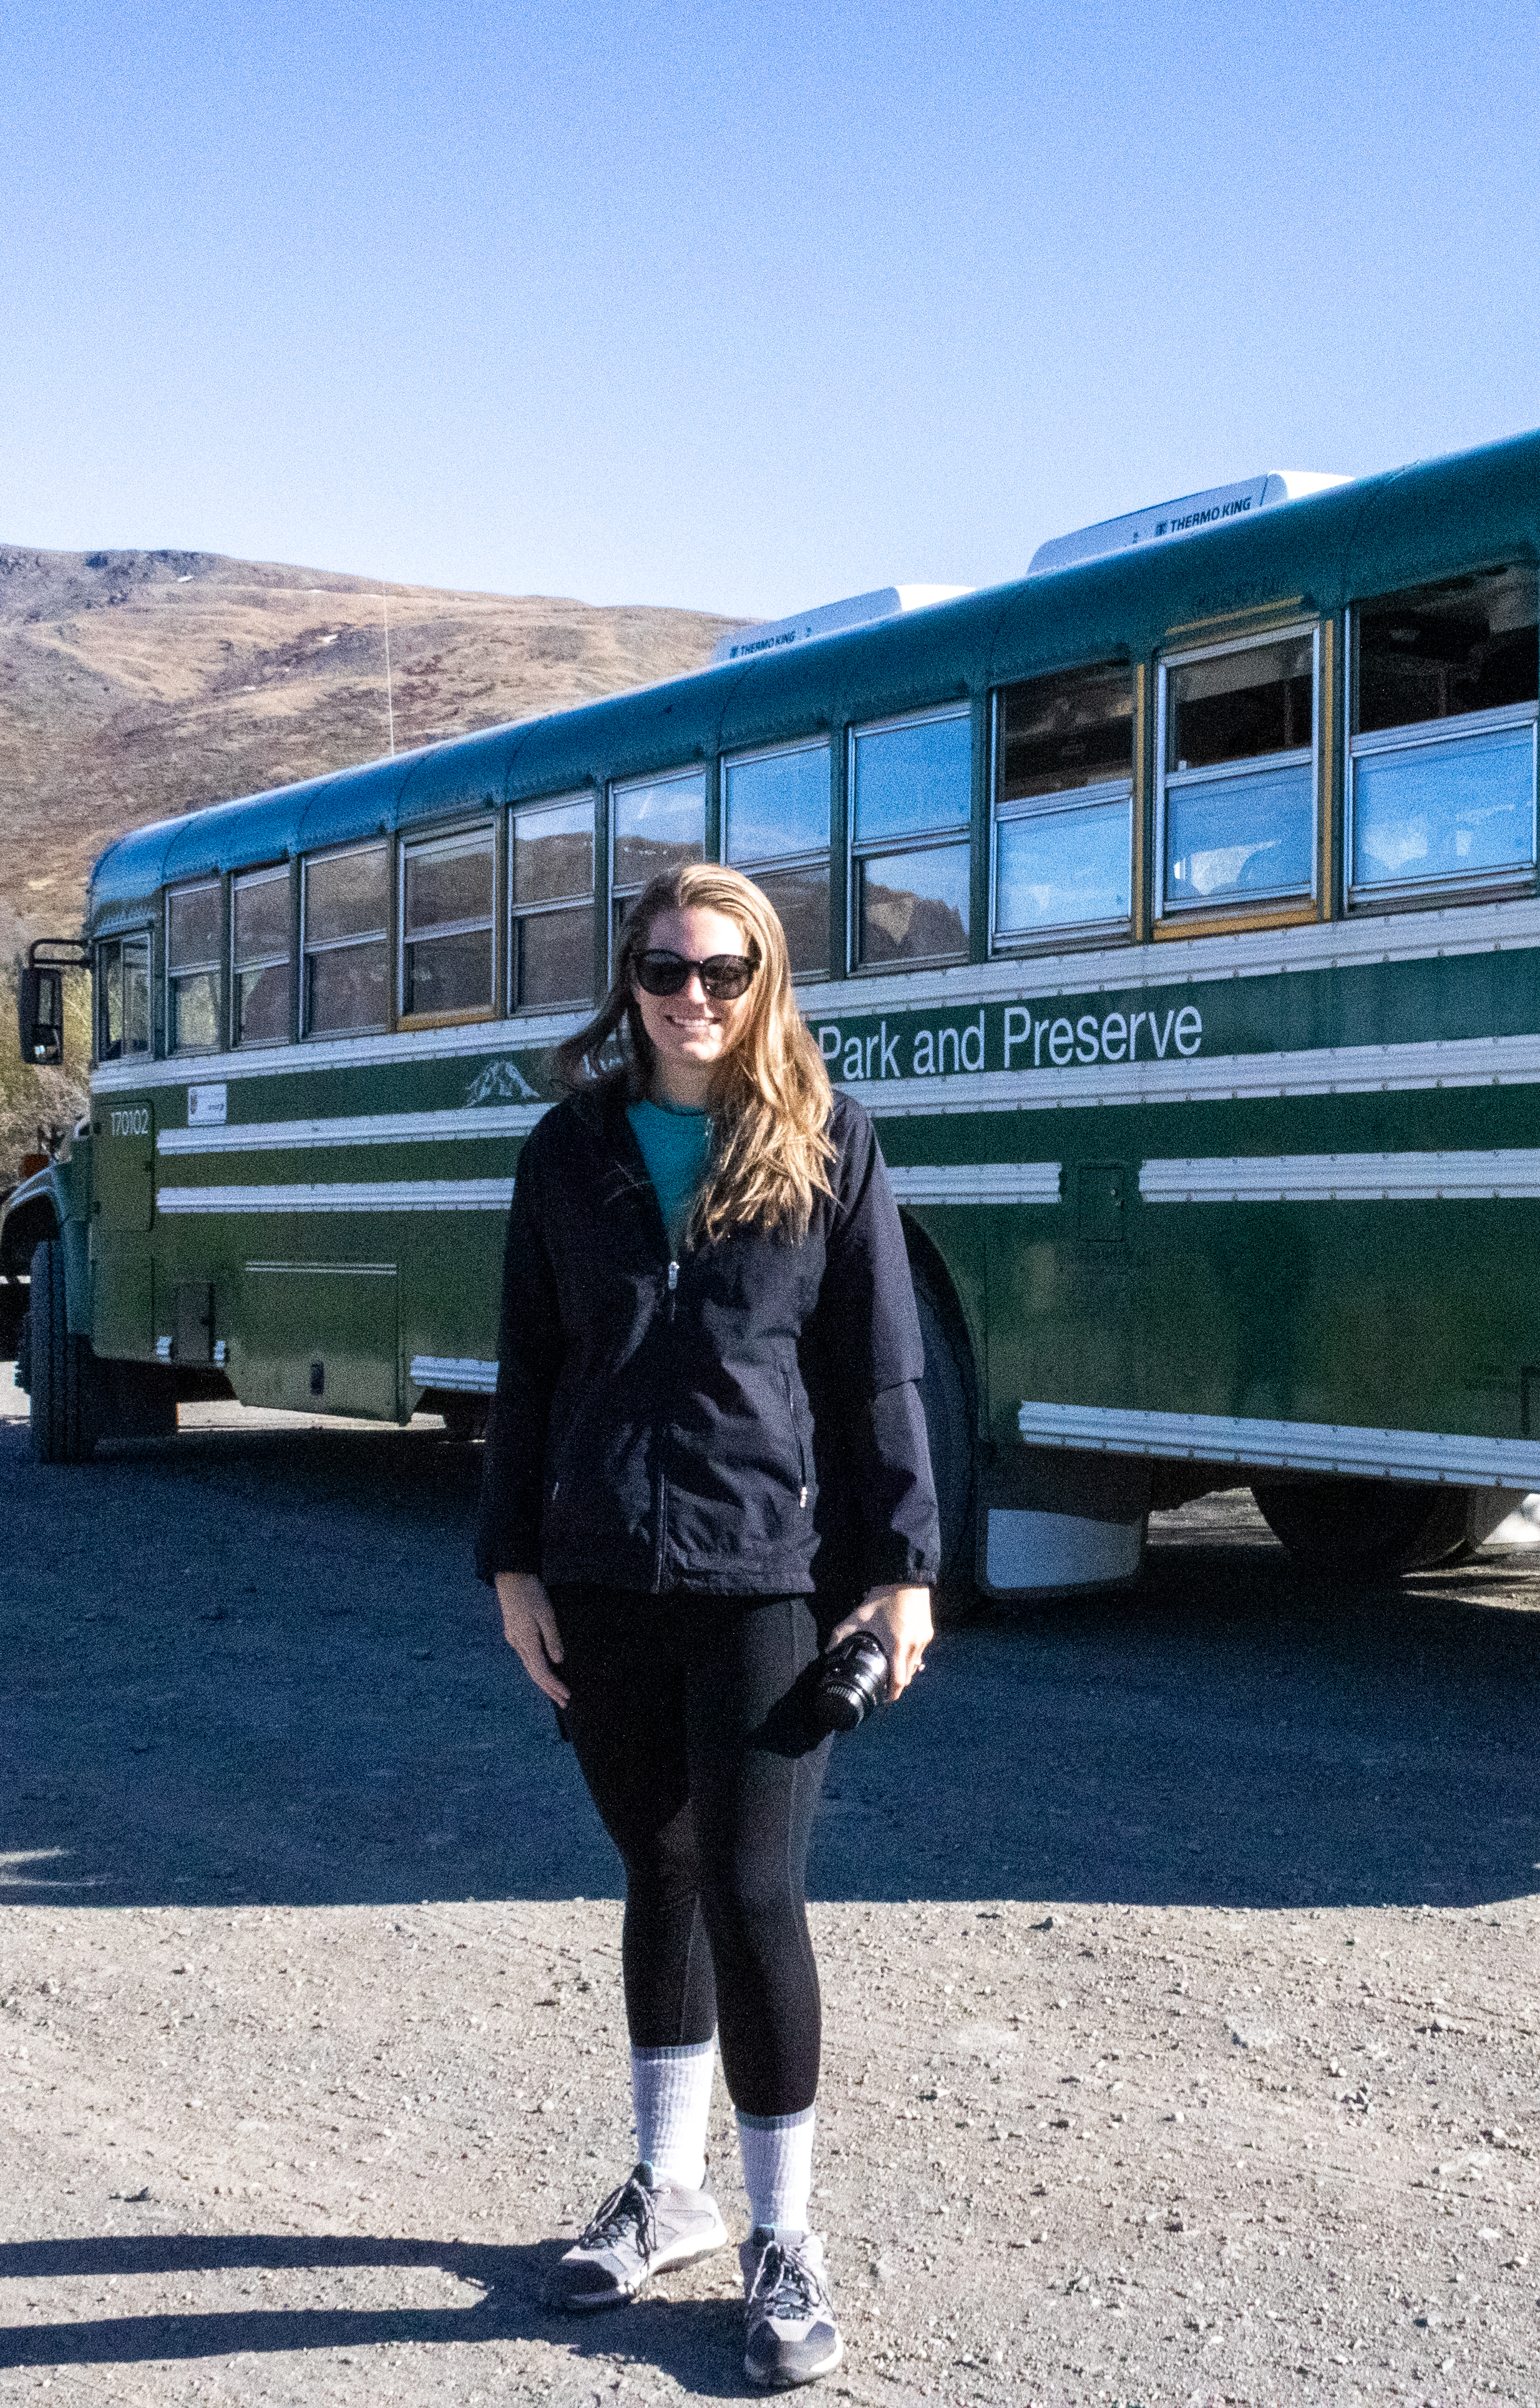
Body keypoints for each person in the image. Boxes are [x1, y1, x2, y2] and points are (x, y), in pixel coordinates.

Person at [477, 860, 940, 2391]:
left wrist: (906, 1567)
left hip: (765, 1576)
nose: (693, 997)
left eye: (724, 970)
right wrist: (512, 1563)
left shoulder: (825, 1143)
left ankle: (781, 2236)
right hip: (603, 1572)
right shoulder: (569, 1148)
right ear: (630, 979)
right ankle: (663, 2188)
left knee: (750, 1887)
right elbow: (529, 1368)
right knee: (655, 1867)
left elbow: (878, 1373)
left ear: (767, 980)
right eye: (666, 968)